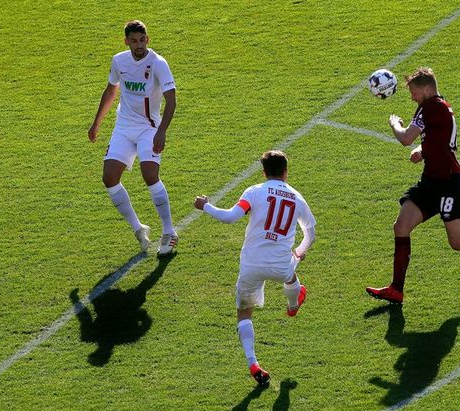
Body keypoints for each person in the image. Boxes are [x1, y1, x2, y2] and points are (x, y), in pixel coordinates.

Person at [365, 67, 460, 305]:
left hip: (449, 184)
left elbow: (406, 137)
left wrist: (394, 124)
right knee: (401, 226)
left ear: (427, 88)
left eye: (414, 92)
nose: (412, 97)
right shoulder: (436, 107)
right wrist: (422, 150)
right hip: (430, 182)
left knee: (458, 243)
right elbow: (443, 142)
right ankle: (396, 289)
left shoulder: (433, 107)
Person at [194, 150, 316, 387]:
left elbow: (230, 217)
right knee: (291, 273)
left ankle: (253, 362)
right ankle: (293, 305)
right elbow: (310, 232)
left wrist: (206, 206)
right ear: (286, 172)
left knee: (244, 313)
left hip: (250, 265)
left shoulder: (254, 191)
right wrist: (300, 251)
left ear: (263, 172)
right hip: (280, 266)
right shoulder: (297, 198)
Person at [88, 20, 179, 255]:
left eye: (142, 40)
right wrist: (96, 123)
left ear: (148, 39)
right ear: (126, 41)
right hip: (124, 126)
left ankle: (169, 232)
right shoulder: (119, 61)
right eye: (134, 41)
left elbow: (172, 100)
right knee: (109, 177)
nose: (139, 45)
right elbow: (111, 91)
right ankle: (139, 229)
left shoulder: (158, 64)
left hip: (149, 128)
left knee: (150, 174)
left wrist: (162, 131)